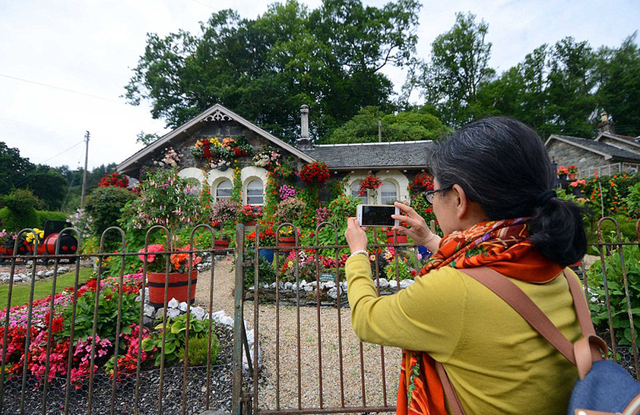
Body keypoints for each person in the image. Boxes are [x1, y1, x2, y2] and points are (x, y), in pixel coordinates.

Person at [344, 116, 587, 414]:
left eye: (433, 193)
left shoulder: (451, 291)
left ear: (458, 199)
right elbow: (490, 268)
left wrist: (357, 254)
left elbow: (367, 319)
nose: (432, 202)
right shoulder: (563, 275)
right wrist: (431, 238)